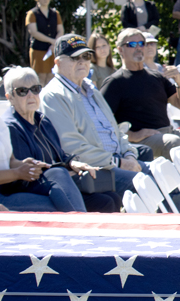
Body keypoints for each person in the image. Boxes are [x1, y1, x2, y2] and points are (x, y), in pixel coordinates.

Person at [40, 34, 148, 202]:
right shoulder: (53, 95)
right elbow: (72, 148)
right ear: (58, 62)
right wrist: (120, 163)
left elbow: (115, 131)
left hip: (118, 160)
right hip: (96, 168)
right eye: (75, 57)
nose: (82, 61)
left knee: (172, 176)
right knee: (151, 184)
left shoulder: (90, 88)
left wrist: (129, 155)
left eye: (86, 56)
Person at [4, 66, 116, 213]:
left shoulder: (43, 121)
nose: (31, 95)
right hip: (30, 188)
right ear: (10, 97)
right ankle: (83, 230)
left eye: (35, 89)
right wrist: (65, 170)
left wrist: (73, 163)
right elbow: (29, 171)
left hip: (56, 183)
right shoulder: (11, 127)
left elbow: (60, 155)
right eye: (22, 91)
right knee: (97, 199)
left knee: (110, 198)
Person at [0, 49, 64, 211]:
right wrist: (18, 173)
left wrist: (26, 164)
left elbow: (9, 161)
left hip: (6, 188)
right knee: (55, 208)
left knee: (59, 175)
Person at [100, 28, 180, 159]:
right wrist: (132, 135)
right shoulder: (115, 82)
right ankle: (178, 180)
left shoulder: (157, 76)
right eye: (132, 45)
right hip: (141, 141)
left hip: (169, 133)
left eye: (142, 44)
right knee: (173, 142)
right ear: (120, 49)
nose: (139, 48)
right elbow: (101, 120)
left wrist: (179, 82)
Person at [25, 0, 64, 85]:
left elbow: (60, 30)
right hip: (39, 49)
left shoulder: (55, 13)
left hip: (53, 49)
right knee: (40, 77)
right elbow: (34, 32)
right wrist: (52, 41)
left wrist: (55, 43)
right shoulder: (32, 13)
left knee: (52, 76)